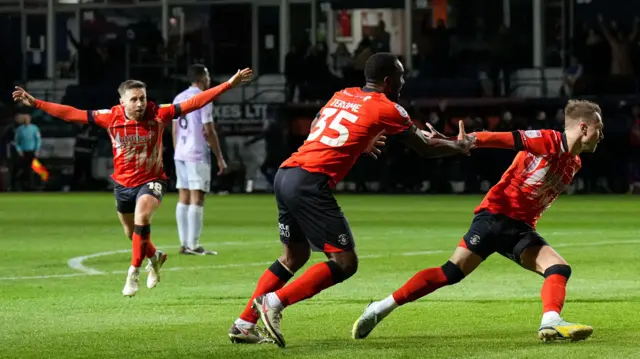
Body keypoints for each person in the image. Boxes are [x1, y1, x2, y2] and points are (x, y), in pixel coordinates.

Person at [228, 53, 475, 346]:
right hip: (310, 181)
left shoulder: (342, 93)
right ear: (388, 80)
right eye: (401, 75)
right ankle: (275, 302)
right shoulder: (389, 108)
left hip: (287, 173)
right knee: (345, 263)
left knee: (295, 256)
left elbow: (320, 124)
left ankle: (244, 323)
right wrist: (457, 147)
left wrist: (358, 143)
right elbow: (424, 147)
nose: (404, 80)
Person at [352, 99, 604, 343]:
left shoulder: (574, 162)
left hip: (519, 228)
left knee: (558, 268)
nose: (601, 134)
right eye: (598, 128)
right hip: (495, 216)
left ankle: (550, 321)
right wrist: (453, 141)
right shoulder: (549, 140)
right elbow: (498, 138)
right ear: (583, 127)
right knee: (450, 273)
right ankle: (380, 308)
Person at [12, 68, 252, 297]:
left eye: (143, 98)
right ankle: (155, 257)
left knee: (142, 219)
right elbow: (70, 113)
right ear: (122, 102)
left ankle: (133, 273)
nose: (140, 104)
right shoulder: (110, 117)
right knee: (131, 232)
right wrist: (36, 104)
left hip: (152, 179)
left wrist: (229, 84)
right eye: (134, 99)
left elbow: (195, 102)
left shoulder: (158, 113)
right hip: (123, 184)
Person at [173, 64, 227, 256]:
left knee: (183, 197)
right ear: (203, 78)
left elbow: (174, 129)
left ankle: (184, 243)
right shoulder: (205, 98)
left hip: (180, 152)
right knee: (197, 198)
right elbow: (208, 130)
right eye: (208, 75)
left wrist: (176, 151)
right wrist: (220, 157)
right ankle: (193, 245)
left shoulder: (178, 98)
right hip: (196, 152)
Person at [13, 112, 41, 191]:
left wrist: (37, 150)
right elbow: (16, 141)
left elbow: (38, 140)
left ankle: (32, 185)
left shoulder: (34, 128)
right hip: (23, 152)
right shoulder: (20, 129)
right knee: (23, 168)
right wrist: (19, 150)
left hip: (32, 151)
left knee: (31, 169)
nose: (26, 120)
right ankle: (22, 185)